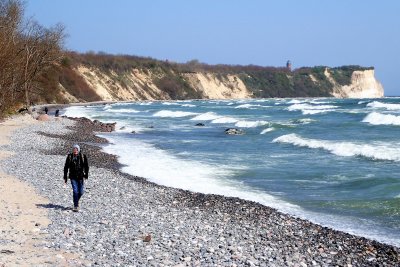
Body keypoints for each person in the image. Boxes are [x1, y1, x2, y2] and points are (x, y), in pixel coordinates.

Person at [64, 144, 89, 212]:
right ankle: (76, 206)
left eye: (76, 149)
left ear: (78, 150)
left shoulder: (83, 156)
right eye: (74, 149)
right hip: (72, 177)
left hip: (80, 177)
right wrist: (65, 177)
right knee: (75, 191)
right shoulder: (70, 156)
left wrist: (86, 175)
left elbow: (86, 166)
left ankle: (76, 200)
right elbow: (66, 167)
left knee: (81, 192)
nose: (75, 151)